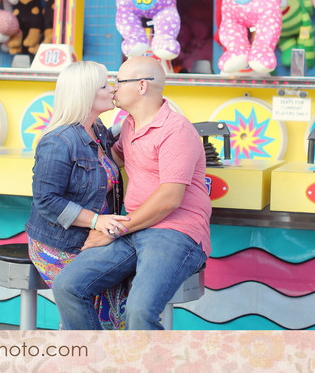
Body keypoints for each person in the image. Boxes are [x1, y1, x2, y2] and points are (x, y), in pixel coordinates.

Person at [51, 56, 211, 330]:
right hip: (134, 226)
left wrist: (112, 229)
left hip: (175, 231)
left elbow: (170, 199)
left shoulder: (176, 130)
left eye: (118, 81)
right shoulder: (129, 125)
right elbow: (109, 161)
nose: (113, 88)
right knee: (67, 286)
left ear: (141, 87)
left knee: (139, 311)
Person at [25, 61, 131, 329]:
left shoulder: (96, 130)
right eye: (105, 85)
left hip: (92, 239)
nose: (113, 89)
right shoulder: (57, 142)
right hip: (60, 244)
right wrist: (97, 221)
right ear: (86, 94)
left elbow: (112, 154)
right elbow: (47, 201)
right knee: (81, 304)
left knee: (115, 311)